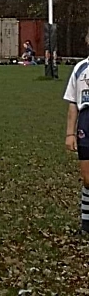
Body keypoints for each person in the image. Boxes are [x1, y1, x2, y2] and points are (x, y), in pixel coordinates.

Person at [63, 27, 89, 236]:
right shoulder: (80, 68)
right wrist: (70, 133)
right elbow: (73, 103)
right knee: (88, 178)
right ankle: (86, 225)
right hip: (85, 124)